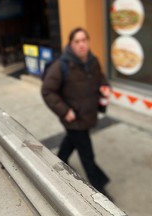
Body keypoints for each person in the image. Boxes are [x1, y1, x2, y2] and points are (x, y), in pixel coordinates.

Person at [41, 27, 111, 194]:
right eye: (77, 41)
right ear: (71, 44)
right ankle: (99, 186)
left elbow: (101, 78)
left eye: (84, 40)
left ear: (88, 41)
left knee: (71, 141)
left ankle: (61, 158)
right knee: (87, 155)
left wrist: (105, 87)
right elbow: (47, 91)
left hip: (88, 114)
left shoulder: (93, 61)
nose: (81, 44)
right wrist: (65, 111)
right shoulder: (61, 66)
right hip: (73, 117)